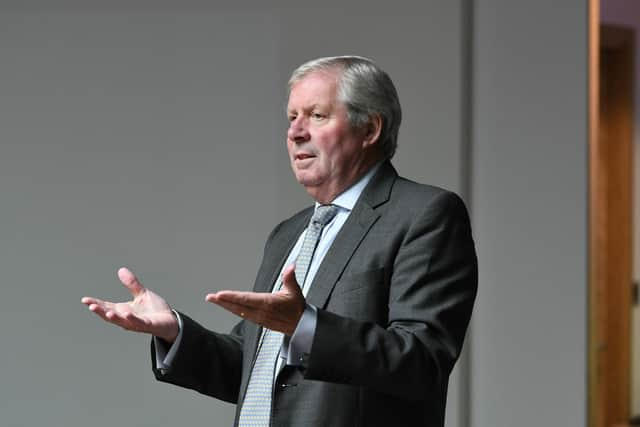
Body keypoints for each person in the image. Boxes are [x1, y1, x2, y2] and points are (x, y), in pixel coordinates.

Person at [82, 56, 477, 427]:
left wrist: (307, 327)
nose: (294, 132)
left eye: (317, 116)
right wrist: (174, 332)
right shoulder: (289, 233)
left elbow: (422, 360)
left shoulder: (424, 214)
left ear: (370, 129)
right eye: (291, 117)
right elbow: (254, 367)